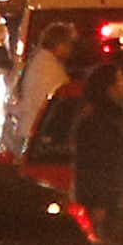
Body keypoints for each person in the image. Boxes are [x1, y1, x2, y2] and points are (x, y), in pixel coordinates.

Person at [70, 63, 123, 243]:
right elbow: (96, 163)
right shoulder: (98, 121)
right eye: (120, 80)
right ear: (110, 88)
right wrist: (99, 203)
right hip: (108, 203)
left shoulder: (115, 115)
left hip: (116, 200)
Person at [11, 20, 77, 152]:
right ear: (59, 45)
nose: (71, 50)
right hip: (37, 134)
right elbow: (57, 106)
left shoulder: (40, 62)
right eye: (69, 45)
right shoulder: (48, 68)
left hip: (30, 130)